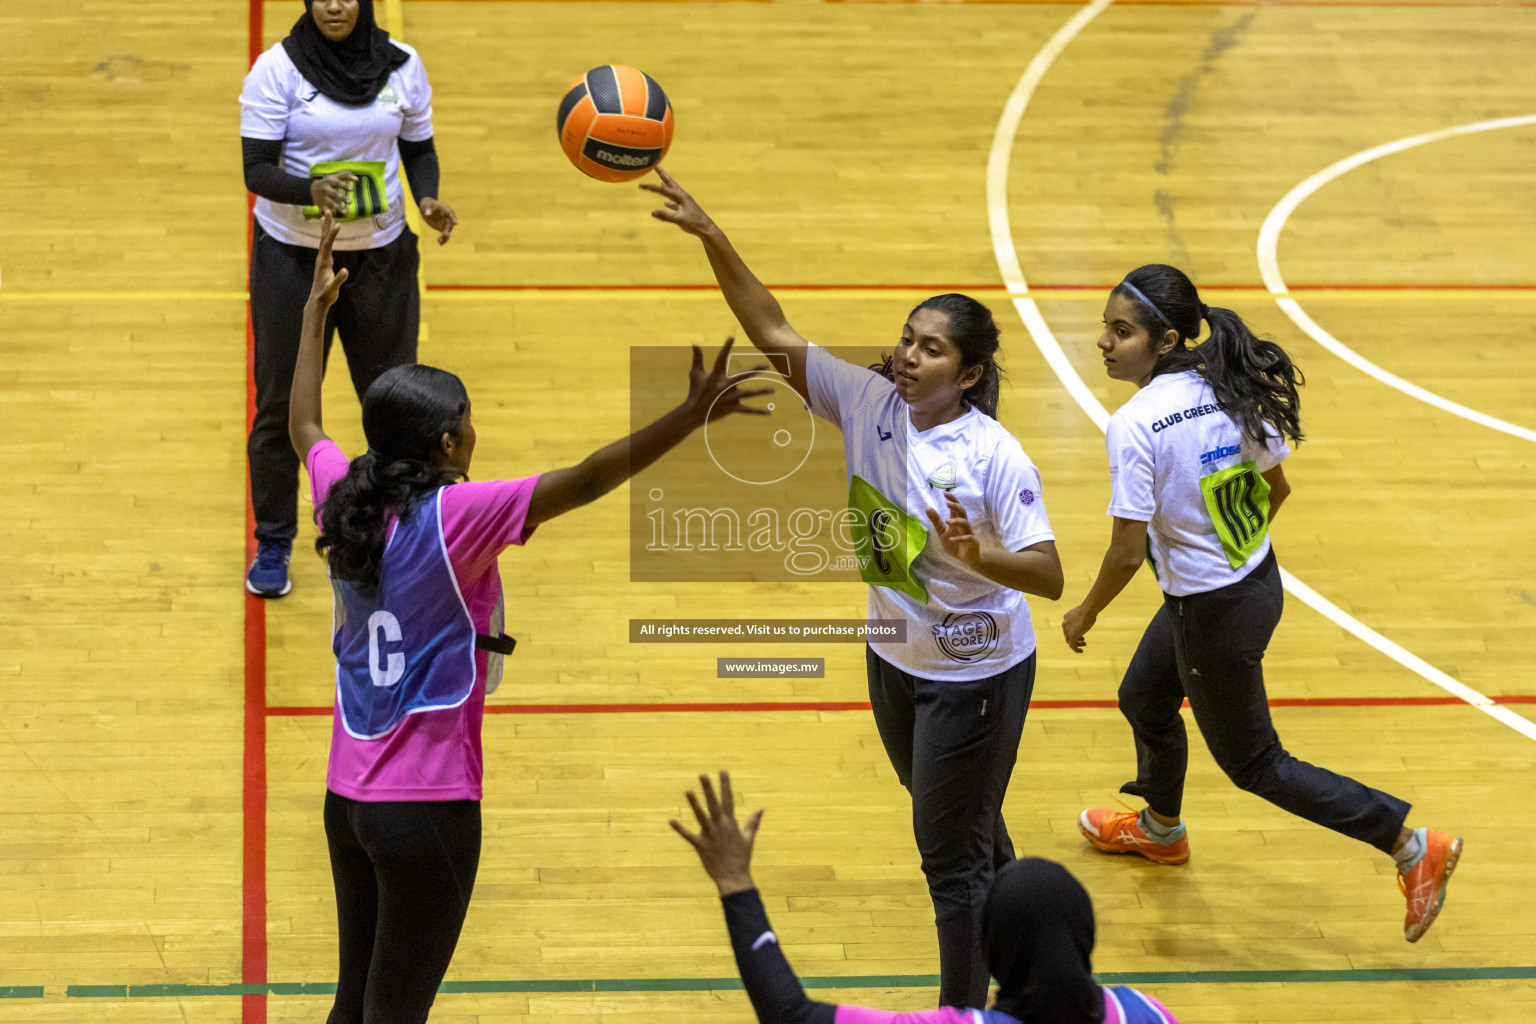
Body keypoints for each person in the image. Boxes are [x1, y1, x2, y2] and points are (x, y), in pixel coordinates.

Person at [291, 211, 768, 1023]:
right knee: (393, 1015)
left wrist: (313, 318)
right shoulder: (458, 516)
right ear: (447, 442)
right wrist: (688, 419)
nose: (477, 431)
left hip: (346, 799)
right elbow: (584, 481)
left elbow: (306, 423)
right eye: (469, 421)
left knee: (354, 1010)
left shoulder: (343, 492)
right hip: (427, 808)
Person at [647, 168, 1064, 1008]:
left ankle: (967, 1011)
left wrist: (979, 553)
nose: (909, 354)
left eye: (932, 348)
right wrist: (712, 235)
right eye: (908, 338)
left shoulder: (994, 455)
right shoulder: (868, 398)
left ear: (970, 374)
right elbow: (770, 325)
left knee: (948, 860)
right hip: (894, 661)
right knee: (964, 828)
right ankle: (1039, 963)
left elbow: (1050, 576)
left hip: (974, 676)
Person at [1060, 264, 1461, 943]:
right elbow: (1277, 490)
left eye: (1120, 332)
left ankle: (1410, 844)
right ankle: (1160, 828)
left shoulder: (1134, 425)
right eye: (1106, 327)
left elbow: (1127, 552)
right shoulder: (1229, 387)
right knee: (1144, 697)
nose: (1103, 342)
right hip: (1253, 585)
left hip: (1212, 613)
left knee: (1256, 765)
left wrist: (1086, 612)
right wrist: (1225, 554)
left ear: (1167, 340)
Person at [240, 0, 459, 597]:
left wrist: (428, 197)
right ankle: (276, 541)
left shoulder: (402, 66)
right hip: (294, 258)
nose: (334, 4)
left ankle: (395, 536)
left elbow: (418, 147)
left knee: (395, 407)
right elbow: (255, 169)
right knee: (280, 405)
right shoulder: (276, 70)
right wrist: (308, 187)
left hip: (383, 257)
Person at [672, 771, 1179, 1024]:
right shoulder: (1149, 1012)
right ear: (1084, 935)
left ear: (994, 951)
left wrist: (735, 883)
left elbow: (790, 1015)